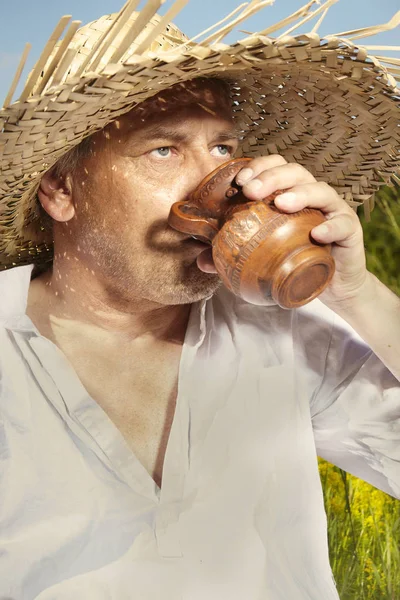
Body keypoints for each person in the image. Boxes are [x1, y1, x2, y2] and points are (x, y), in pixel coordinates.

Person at [0, 1, 399, 598]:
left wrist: (357, 293)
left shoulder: (283, 329)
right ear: (60, 188)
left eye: (222, 149)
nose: (217, 189)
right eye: (163, 149)